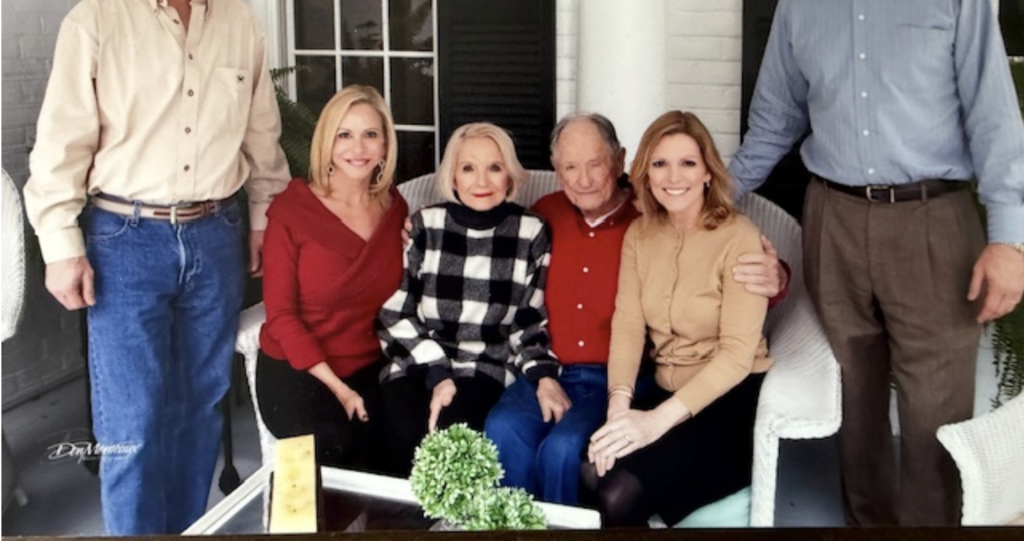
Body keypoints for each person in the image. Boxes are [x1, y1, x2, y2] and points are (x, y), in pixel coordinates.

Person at [729, 0, 1024, 526]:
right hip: (833, 219)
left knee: (931, 408)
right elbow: (773, 124)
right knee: (856, 401)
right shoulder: (801, 1)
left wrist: (1009, 237)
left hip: (933, 223)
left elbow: (994, 118)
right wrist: (708, 201)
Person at [23, 0, 291, 534]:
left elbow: (262, 135)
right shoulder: (95, 22)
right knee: (132, 418)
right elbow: (59, 146)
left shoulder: (240, 23)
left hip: (214, 234)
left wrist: (263, 219)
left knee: (202, 404)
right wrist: (61, 248)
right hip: (124, 239)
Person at [484, 113, 785, 506]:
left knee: (578, 460)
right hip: (576, 372)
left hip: (685, 389)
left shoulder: (679, 224)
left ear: (620, 160)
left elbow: (736, 332)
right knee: (531, 440)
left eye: (595, 164)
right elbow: (485, 244)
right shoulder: (564, 219)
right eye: (570, 167)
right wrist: (419, 233)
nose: (584, 179)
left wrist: (779, 276)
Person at [583, 111, 772, 527]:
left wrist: (654, 423)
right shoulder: (641, 234)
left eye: (688, 162)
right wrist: (619, 408)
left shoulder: (739, 237)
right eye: (660, 163)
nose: (674, 176)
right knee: (590, 471)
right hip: (665, 390)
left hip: (728, 403)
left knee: (619, 494)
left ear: (708, 172)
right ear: (645, 173)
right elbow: (629, 326)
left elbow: (738, 356)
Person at [377, 122, 560, 475]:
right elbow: (395, 314)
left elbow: (529, 322)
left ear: (510, 175)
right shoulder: (425, 226)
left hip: (485, 365)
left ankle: (449, 528)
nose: (482, 181)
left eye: (494, 167)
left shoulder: (531, 232)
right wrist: (436, 372)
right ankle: (398, 526)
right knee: (403, 429)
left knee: (454, 434)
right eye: (468, 168)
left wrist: (542, 375)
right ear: (453, 177)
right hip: (419, 358)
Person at [256, 85, 407, 473]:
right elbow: (282, 317)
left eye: (370, 134)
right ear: (327, 141)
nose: (358, 148)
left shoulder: (395, 208)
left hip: (369, 364)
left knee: (403, 439)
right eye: (345, 134)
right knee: (333, 442)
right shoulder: (292, 211)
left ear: (385, 146)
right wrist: (339, 389)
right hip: (299, 370)